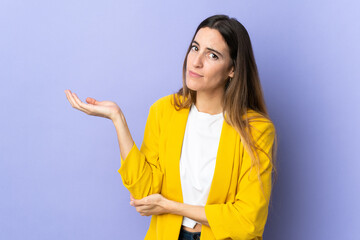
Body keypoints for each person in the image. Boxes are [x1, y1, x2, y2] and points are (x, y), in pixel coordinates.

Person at [64, 14, 277, 240]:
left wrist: (169, 206)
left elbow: (248, 221)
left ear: (232, 70)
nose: (196, 61)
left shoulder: (256, 129)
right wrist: (118, 119)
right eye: (195, 48)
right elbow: (144, 192)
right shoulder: (164, 111)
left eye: (212, 55)